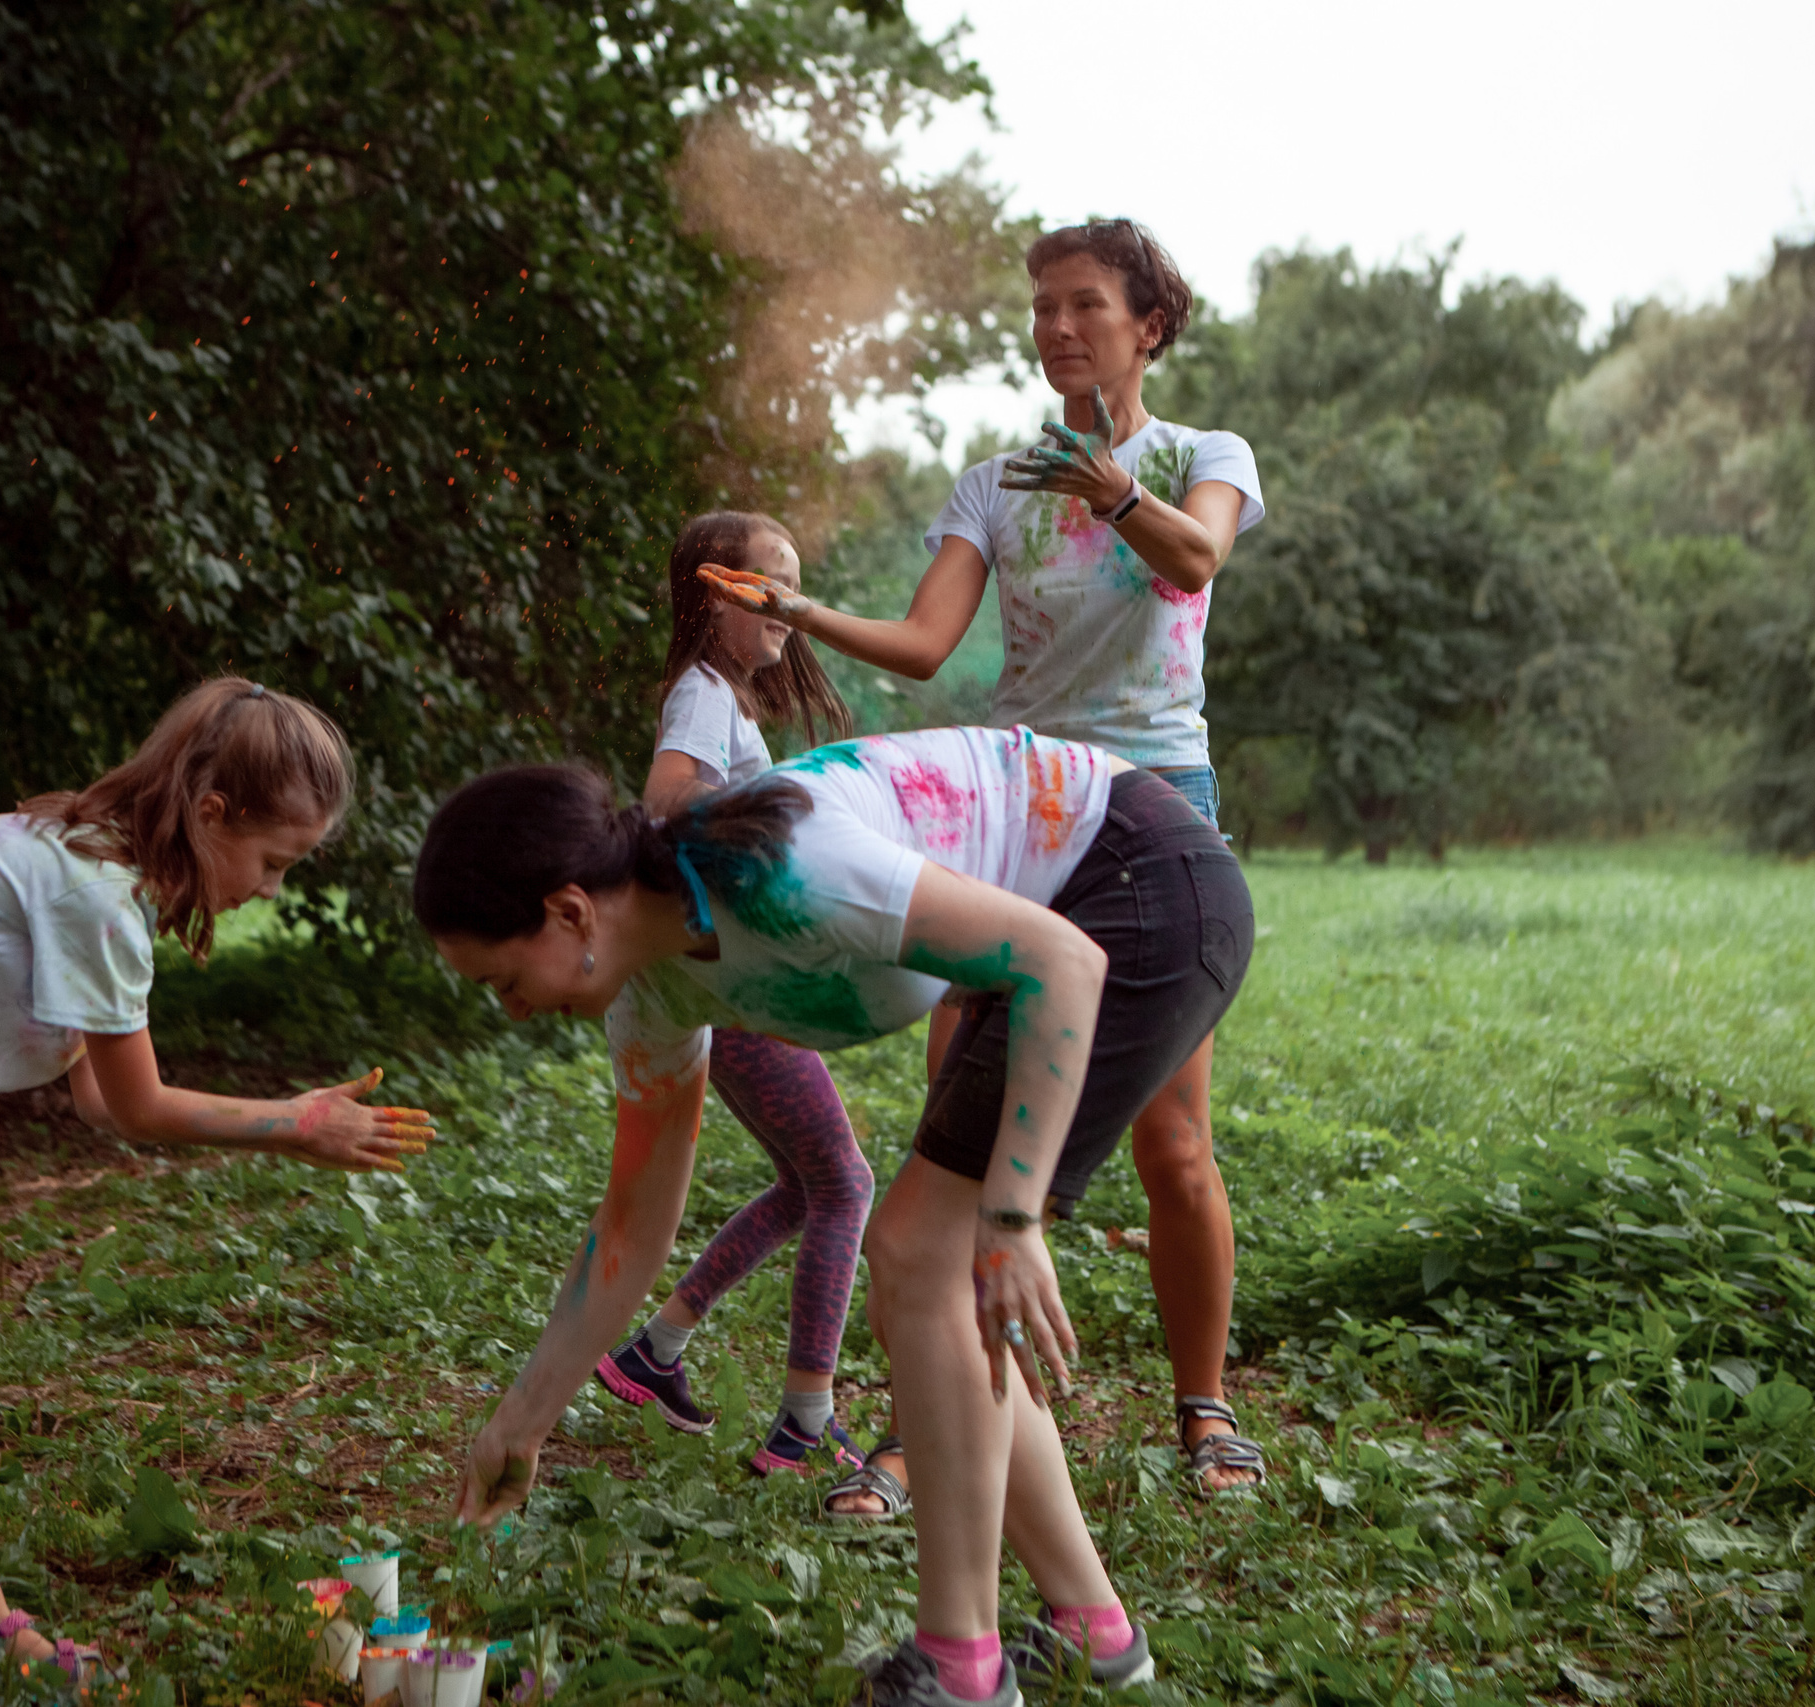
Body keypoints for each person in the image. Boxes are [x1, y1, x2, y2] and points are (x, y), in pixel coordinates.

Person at [415, 725, 1252, 1705]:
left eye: (502, 981)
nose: (508, 1010)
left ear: (567, 912)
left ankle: (957, 1669)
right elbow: (634, 1226)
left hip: (1140, 887)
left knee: (916, 1253)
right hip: (1055, 933)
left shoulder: (787, 874)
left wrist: (1014, 1219)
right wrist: (518, 1426)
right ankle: (1092, 1629)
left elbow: (1060, 960)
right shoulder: (649, 995)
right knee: (926, 1279)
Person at [0, 678, 436, 1707]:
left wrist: (285, 1123)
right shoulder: (97, 892)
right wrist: (294, 1123)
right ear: (209, 812)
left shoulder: (100, 868)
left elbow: (96, 1098)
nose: (271, 887)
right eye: (274, 862)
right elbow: (138, 1108)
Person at [700, 218, 1270, 1500]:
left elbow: (1197, 559)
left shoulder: (1200, 456)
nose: (1057, 329)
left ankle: (1205, 1407)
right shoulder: (990, 484)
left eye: (1085, 306)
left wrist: (1111, 488)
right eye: (1042, 309)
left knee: (1173, 1139)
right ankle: (913, 1431)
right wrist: (794, 612)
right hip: (1009, 806)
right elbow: (918, 642)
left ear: (1149, 325)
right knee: (958, 1120)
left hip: (1153, 811)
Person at [594, 511, 875, 1476]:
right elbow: (666, 806)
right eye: (773, 587)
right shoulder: (706, 699)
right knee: (844, 1183)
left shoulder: (722, 696)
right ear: (719, 592)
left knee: (808, 1185)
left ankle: (655, 1350)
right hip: (739, 986)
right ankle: (804, 1420)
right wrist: (737, 894)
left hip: (732, 984)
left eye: (798, 587)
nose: (790, 608)